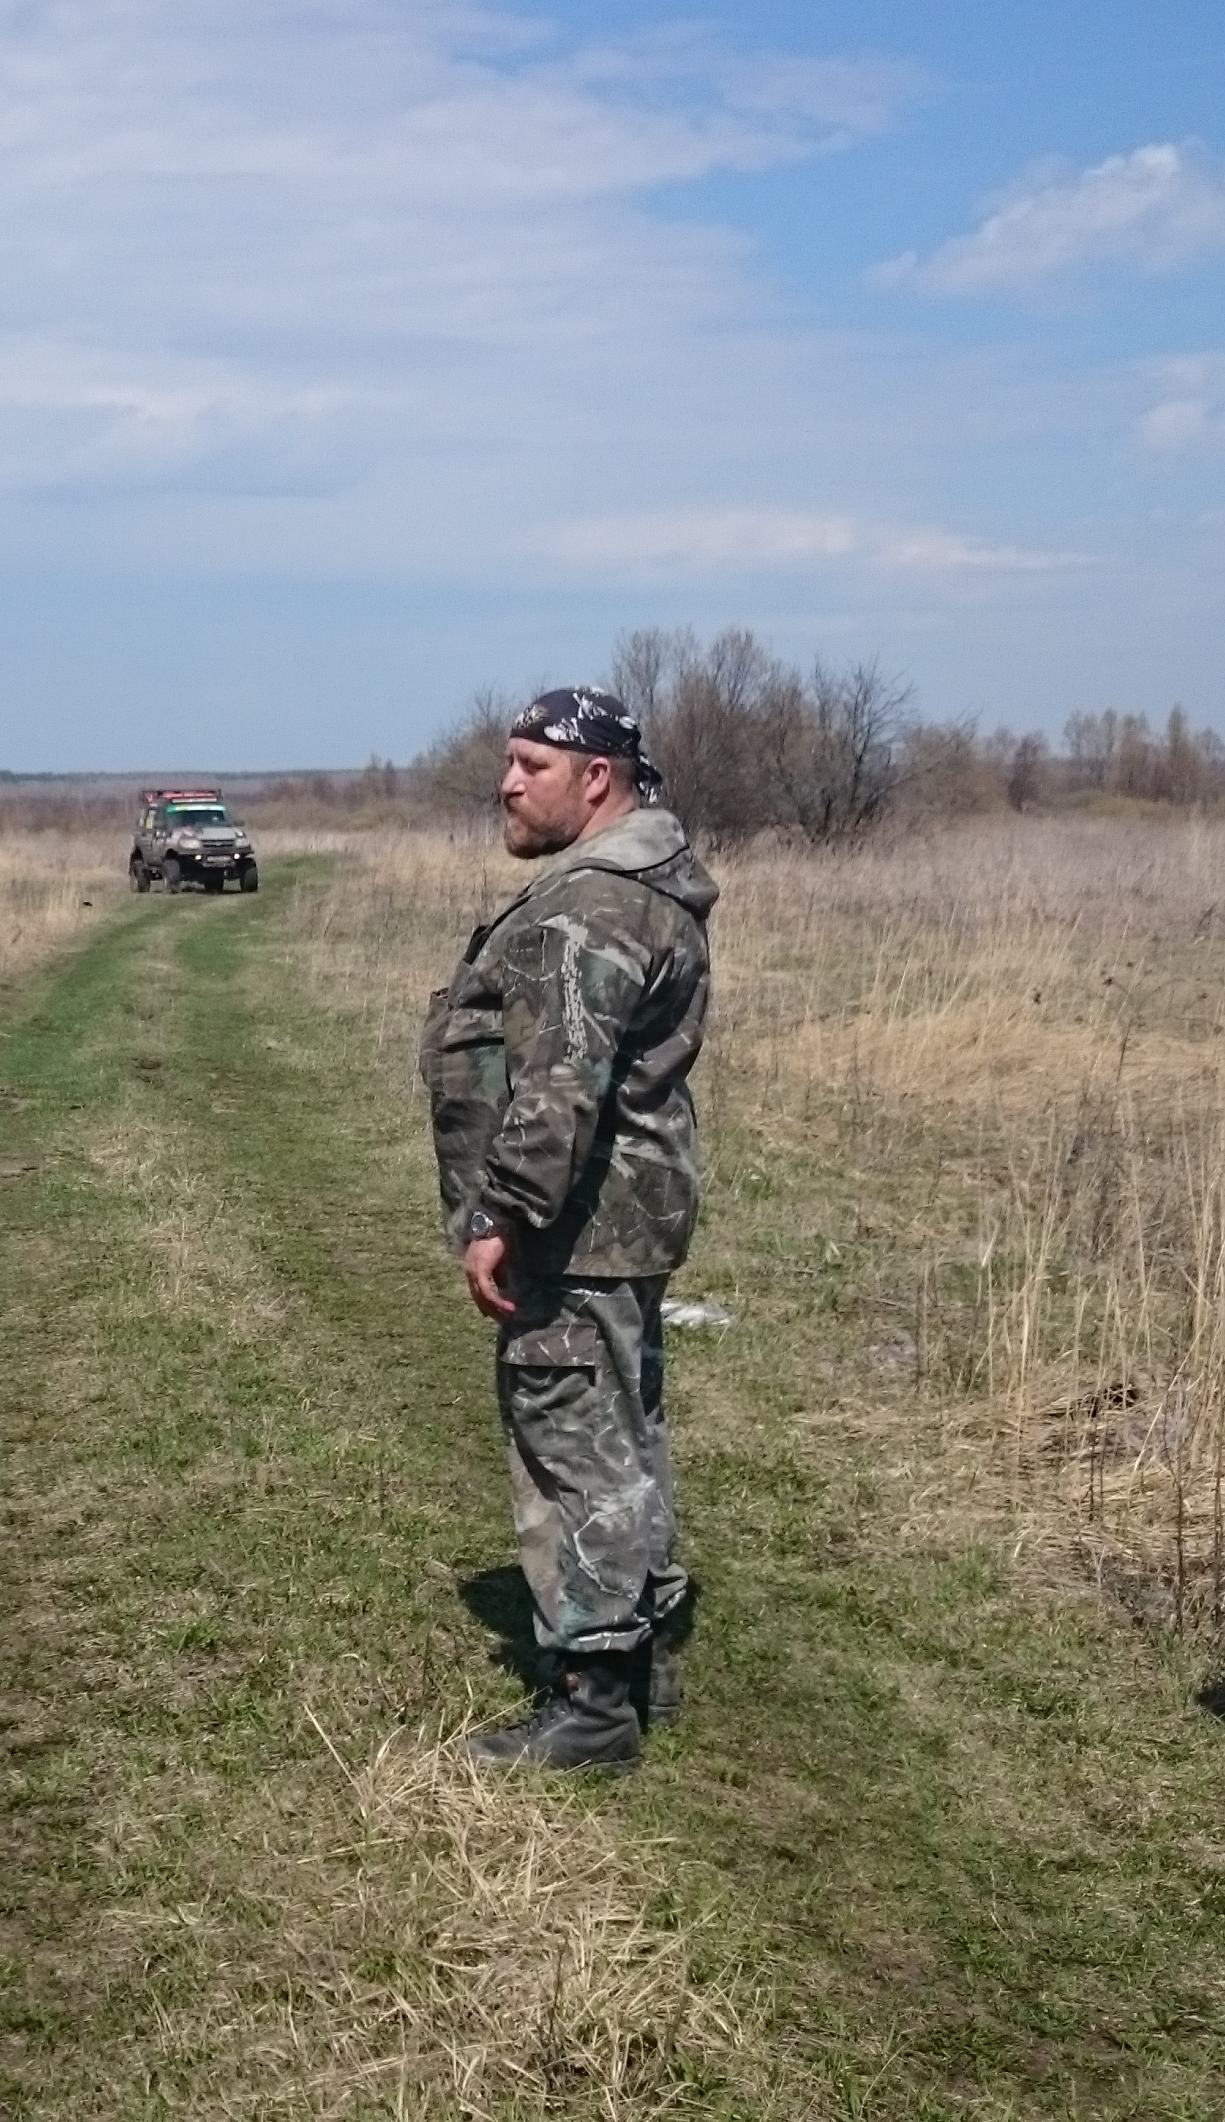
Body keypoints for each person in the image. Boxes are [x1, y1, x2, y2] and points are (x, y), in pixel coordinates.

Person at [419, 687, 717, 1775]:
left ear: (597, 780)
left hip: (578, 1226)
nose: (507, 784)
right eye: (508, 762)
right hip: (623, 1217)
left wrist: (501, 1213)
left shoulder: (592, 906)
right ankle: (644, 1659)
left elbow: (559, 1087)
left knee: (572, 1444)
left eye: (531, 766)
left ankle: (593, 1703)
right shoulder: (639, 885)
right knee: (622, 1434)